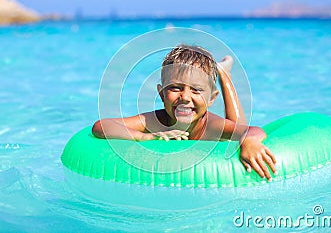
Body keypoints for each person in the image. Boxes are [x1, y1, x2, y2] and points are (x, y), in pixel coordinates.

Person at [93, 44, 277, 181]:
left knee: (237, 128)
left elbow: (253, 130)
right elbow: (101, 126)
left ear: (211, 99)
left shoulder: (211, 125)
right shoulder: (155, 121)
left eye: (196, 90)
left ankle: (224, 75)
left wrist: (249, 141)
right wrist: (144, 137)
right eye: (175, 88)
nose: (185, 97)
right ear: (161, 93)